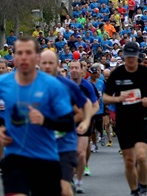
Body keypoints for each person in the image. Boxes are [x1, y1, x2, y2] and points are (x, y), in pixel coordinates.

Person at [0, 35, 74, 196]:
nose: (24, 57)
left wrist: (45, 120)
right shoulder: (2, 83)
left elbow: (68, 123)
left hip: (45, 158)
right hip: (15, 158)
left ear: (37, 57)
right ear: (13, 57)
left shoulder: (52, 85)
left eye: (28, 52)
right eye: (19, 53)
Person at [103, 42, 147, 196]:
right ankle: (134, 190)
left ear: (137, 57)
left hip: (142, 120)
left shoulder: (145, 72)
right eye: (127, 58)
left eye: (133, 58)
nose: (130, 61)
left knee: (142, 157)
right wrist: (117, 99)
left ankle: (143, 185)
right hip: (124, 122)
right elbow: (104, 98)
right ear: (123, 57)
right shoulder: (117, 74)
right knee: (129, 161)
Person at [39, 50, 92, 196]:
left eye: (51, 63)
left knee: (63, 188)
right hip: (41, 144)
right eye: (44, 63)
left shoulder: (67, 85)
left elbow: (86, 103)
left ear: (58, 64)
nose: (48, 66)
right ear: (39, 64)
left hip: (64, 144)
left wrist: (86, 121)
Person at [69, 60, 99, 193]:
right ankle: (68, 178)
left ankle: (78, 181)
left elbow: (96, 106)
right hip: (68, 122)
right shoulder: (64, 84)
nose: (74, 70)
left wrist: (86, 117)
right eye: (72, 68)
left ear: (82, 70)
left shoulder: (88, 86)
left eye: (76, 67)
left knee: (80, 154)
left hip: (84, 123)